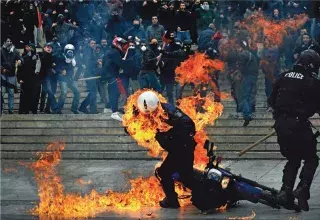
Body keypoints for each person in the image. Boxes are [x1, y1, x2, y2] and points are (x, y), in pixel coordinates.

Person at [268, 49, 320, 211]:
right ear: (311, 64)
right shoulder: (312, 82)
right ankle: (303, 189)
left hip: (281, 125)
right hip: (298, 125)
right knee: (311, 158)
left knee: (293, 158)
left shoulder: (283, 76)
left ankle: (286, 191)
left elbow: (271, 100)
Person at [128, 91, 196, 208]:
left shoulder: (169, 112)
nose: (149, 115)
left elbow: (189, 124)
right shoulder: (153, 110)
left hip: (182, 148)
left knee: (167, 172)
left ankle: (174, 200)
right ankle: (192, 195)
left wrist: (172, 137)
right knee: (182, 175)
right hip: (177, 149)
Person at [54, 44, 80, 114]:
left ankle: (74, 108)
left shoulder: (73, 60)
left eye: (71, 51)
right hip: (62, 79)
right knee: (64, 93)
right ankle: (57, 109)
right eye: (69, 51)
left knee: (77, 92)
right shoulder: (61, 58)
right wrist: (61, 71)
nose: (70, 53)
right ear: (65, 51)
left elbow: (74, 68)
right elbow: (57, 68)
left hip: (70, 79)